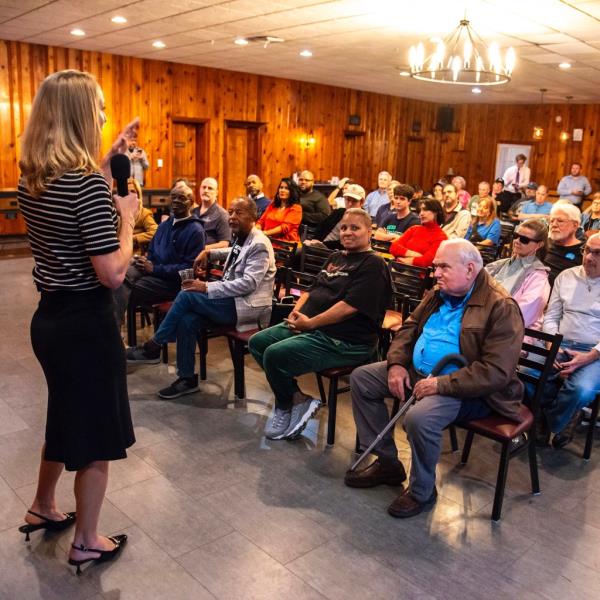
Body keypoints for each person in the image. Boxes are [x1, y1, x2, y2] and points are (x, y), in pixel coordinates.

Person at [17, 70, 138, 571]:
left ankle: (44, 504)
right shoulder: (88, 187)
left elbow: (72, 216)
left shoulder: (34, 179)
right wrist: (127, 216)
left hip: (51, 319)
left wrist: (111, 154)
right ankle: (87, 538)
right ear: (80, 116)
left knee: (65, 415)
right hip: (87, 325)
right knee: (96, 433)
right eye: (100, 108)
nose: (105, 115)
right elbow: (111, 272)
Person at [345, 239, 524, 518]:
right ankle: (389, 463)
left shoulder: (501, 306)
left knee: (419, 418)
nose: (435, 273)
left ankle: (422, 491)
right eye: (435, 266)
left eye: (443, 267)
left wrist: (440, 384)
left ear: (469, 269)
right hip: (421, 374)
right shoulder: (439, 292)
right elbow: (409, 328)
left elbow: (495, 372)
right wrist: (396, 364)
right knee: (362, 379)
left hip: (468, 389)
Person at [249, 208, 392, 440]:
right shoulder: (336, 257)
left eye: (355, 228)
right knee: (258, 342)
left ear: (370, 231)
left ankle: (285, 406)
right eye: (344, 227)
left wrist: (311, 324)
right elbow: (312, 290)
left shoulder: (373, 264)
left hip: (345, 340)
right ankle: (296, 398)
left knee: (274, 355)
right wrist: (296, 314)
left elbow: (348, 307)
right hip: (311, 326)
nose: (347, 232)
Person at [126, 197, 277, 398]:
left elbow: (248, 284)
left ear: (253, 216)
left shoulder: (259, 244)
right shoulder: (243, 237)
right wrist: (209, 253)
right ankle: (187, 378)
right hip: (231, 302)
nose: (231, 217)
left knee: (188, 295)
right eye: (230, 212)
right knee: (187, 320)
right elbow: (234, 252)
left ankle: (154, 345)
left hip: (247, 308)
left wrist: (206, 287)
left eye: (238, 213)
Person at [113, 183, 206, 324]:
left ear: (191, 203)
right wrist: (145, 261)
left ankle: (115, 332)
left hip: (173, 283)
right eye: (173, 197)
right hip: (154, 274)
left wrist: (155, 268)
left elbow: (189, 269)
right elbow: (152, 251)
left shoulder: (196, 230)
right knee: (118, 277)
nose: (176, 201)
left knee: (130, 289)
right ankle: (114, 331)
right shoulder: (164, 225)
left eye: (181, 198)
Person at [540, 233, 600, 449]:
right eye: (587, 251)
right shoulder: (566, 276)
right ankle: (568, 414)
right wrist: (551, 346)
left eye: (598, 253)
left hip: (594, 353)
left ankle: (549, 421)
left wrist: (591, 355)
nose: (590, 257)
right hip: (559, 344)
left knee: (581, 390)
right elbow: (552, 316)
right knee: (526, 374)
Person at [485, 218, 550, 330]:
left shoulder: (539, 278)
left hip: (510, 333)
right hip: (484, 323)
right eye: (516, 236)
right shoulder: (497, 265)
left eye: (524, 239)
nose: (516, 241)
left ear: (539, 245)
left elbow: (519, 316)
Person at [305, 184, 366, 250]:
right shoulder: (339, 212)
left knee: (298, 254)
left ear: (361, 202)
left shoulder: (363, 219)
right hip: (320, 247)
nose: (350, 204)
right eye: (348, 200)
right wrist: (315, 239)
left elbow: (348, 242)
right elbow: (322, 225)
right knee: (297, 253)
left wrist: (321, 244)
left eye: (354, 201)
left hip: (338, 254)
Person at [389, 198, 447, 267]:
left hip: (417, 274)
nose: (421, 214)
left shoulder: (441, 237)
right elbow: (393, 247)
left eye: (425, 210)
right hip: (398, 269)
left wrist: (405, 260)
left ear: (436, 212)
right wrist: (414, 254)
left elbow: (426, 261)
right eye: (420, 210)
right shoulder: (414, 229)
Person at [544, 202, 584, 285]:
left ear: (575, 225)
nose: (554, 225)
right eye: (551, 221)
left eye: (560, 221)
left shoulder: (584, 251)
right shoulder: (544, 243)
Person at [257, 177, 302, 243]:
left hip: (285, 243)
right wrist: (256, 230)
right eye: (281, 187)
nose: (282, 190)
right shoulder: (273, 205)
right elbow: (261, 221)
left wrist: (265, 233)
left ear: (292, 191)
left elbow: (284, 228)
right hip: (267, 239)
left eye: (286, 188)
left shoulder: (296, 208)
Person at [192, 177, 231, 250]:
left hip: (209, 258)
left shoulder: (222, 215)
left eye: (210, 188)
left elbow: (224, 244)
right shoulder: (193, 212)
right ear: (200, 190)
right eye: (203, 187)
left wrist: (200, 249)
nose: (206, 190)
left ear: (216, 193)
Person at [123, 178, 158, 251]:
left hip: (136, 254)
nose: (130, 195)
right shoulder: (118, 212)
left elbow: (156, 232)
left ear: (138, 195)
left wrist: (134, 238)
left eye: (133, 191)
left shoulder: (143, 213)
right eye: (127, 192)